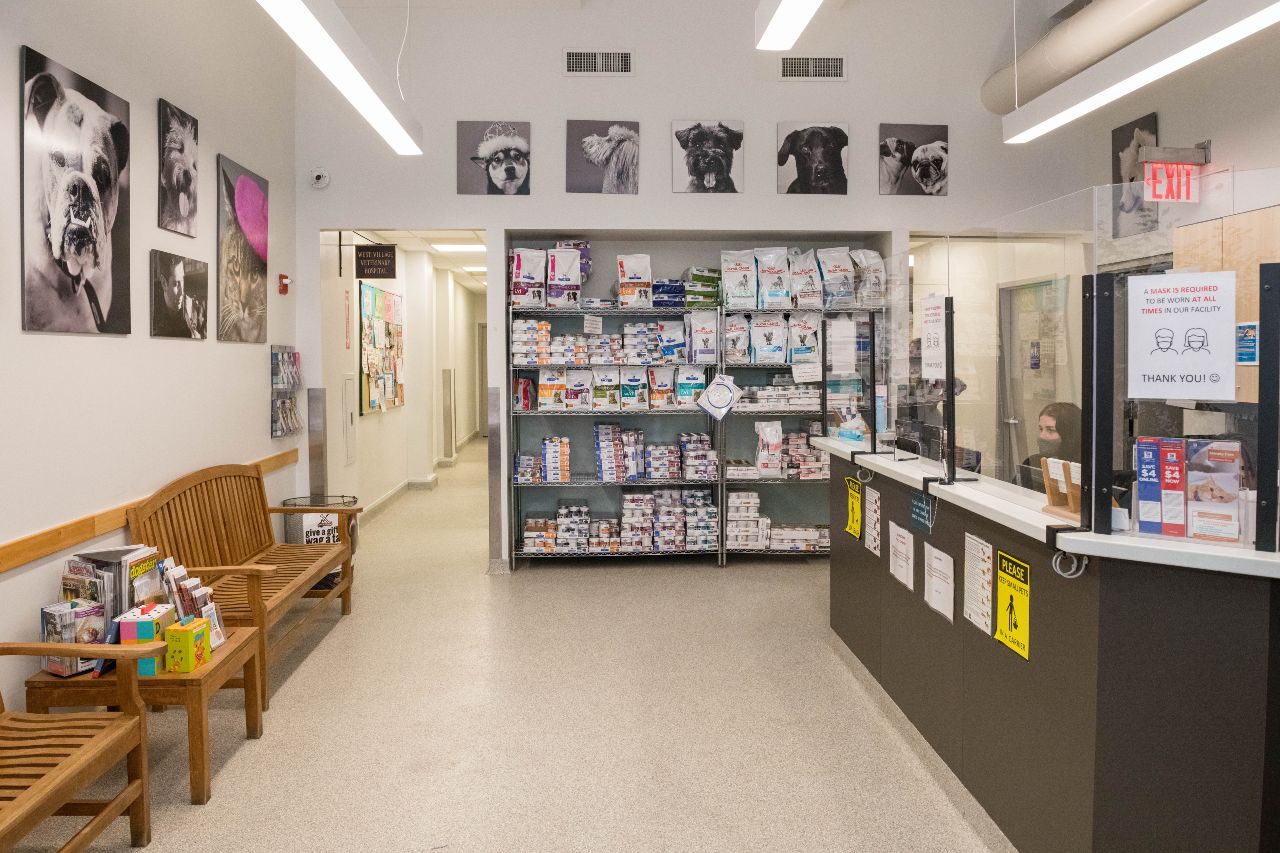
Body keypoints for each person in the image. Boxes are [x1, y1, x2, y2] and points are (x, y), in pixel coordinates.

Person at [1016, 401, 1082, 492]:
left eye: (1050, 430)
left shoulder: (1081, 469)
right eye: (1041, 429)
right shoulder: (1033, 463)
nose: (1042, 436)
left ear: (1069, 434)